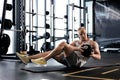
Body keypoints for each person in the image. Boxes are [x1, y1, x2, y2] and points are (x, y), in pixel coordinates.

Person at [16, 26, 101, 68]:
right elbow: (67, 48)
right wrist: (77, 48)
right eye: (80, 34)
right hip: (67, 60)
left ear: (86, 33)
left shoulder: (93, 43)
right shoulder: (76, 42)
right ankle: (27, 58)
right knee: (51, 52)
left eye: (84, 33)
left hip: (77, 62)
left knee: (63, 43)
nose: (82, 35)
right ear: (78, 35)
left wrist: (92, 55)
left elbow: (99, 57)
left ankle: (44, 60)